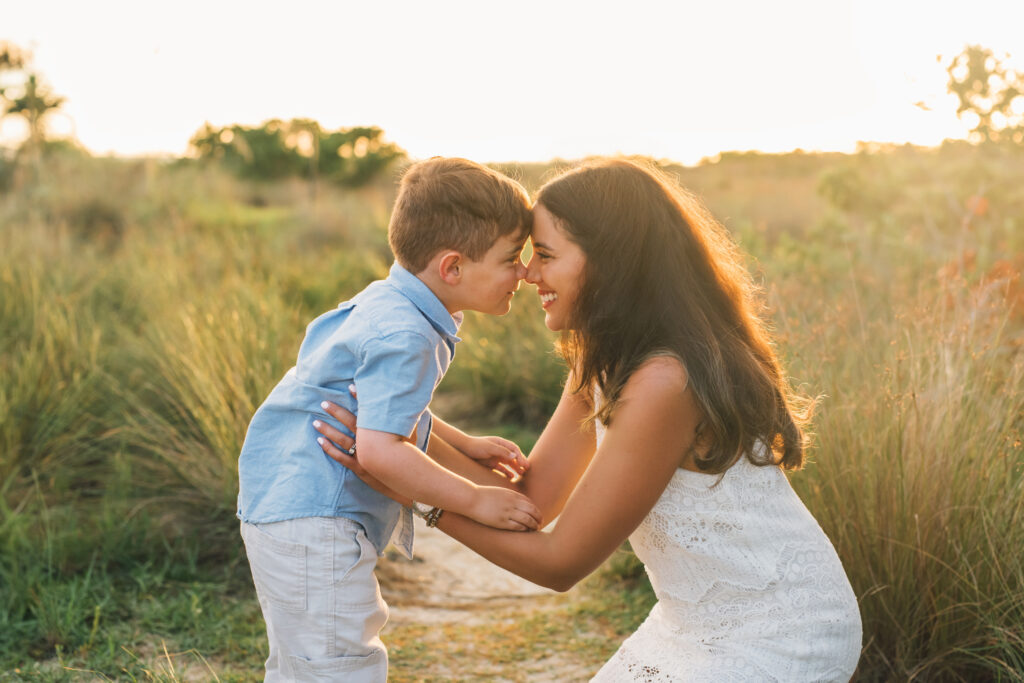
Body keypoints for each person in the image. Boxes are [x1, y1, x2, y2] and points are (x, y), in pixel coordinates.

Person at [315, 158, 863, 680]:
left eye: (546, 255)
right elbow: (533, 501)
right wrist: (406, 437)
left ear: (609, 264)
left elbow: (560, 562)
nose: (528, 273)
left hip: (781, 628)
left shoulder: (665, 381)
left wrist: (416, 493)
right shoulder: (601, 359)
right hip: (690, 622)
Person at [237, 157, 545, 681]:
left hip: (284, 506)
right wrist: (475, 499)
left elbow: (378, 403)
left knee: (301, 665)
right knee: (341, 667)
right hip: (316, 520)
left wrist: (459, 441)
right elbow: (380, 450)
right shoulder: (408, 334)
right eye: (512, 257)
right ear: (453, 268)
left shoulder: (389, 302)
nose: (524, 271)